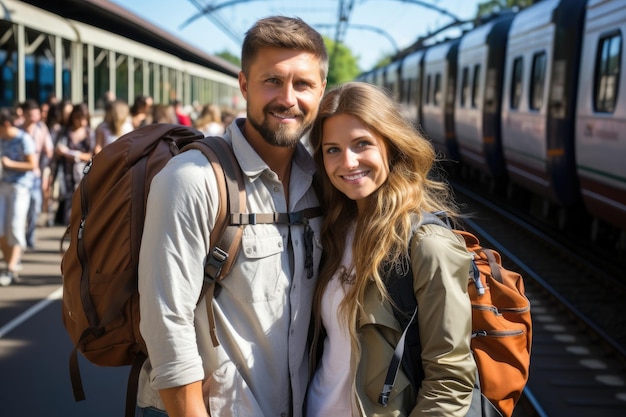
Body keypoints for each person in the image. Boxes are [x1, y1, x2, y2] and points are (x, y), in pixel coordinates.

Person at [136, 15, 328, 417]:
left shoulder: (324, 184)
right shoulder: (192, 180)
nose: (288, 98)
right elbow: (166, 324)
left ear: (322, 89)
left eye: (303, 84)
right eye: (272, 80)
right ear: (244, 85)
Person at [305, 82, 477, 416]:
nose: (348, 161)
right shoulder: (334, 230)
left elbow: (450, 381)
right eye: (332, 150)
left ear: (391, 145)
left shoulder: (426, 244)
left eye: (362, 144)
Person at [0, 107, 36, 286]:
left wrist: (10, 164)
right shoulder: (1, 138)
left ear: (6, 124)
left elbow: (32, 165)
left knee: (14, 226)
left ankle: (11, 268)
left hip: (20, 187)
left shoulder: (24, 139)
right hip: (3, 186)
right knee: (1, 229)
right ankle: (10, 263)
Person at [20, 99, 54, 249]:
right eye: (32, 114)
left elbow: (49, 150)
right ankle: (20, 237)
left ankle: (30, 236)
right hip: (19, 175)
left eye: (37, 114)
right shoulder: (17, 129)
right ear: (25, 114)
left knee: (36, 205)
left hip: (35, 174)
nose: (35, 117)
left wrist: (44, 170)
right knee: (21, 208)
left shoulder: (41, 128)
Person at [54, 103, 95, 225]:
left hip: (84, 173)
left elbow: (92, 155)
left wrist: (71, 153)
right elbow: (57, 151)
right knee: (69, 201)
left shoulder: (89, 133)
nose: (82, 122)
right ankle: (70, 229)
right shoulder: (64, 132)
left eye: (84, 118)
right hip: (67, 174)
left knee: (83, 201)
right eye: (79, 118)